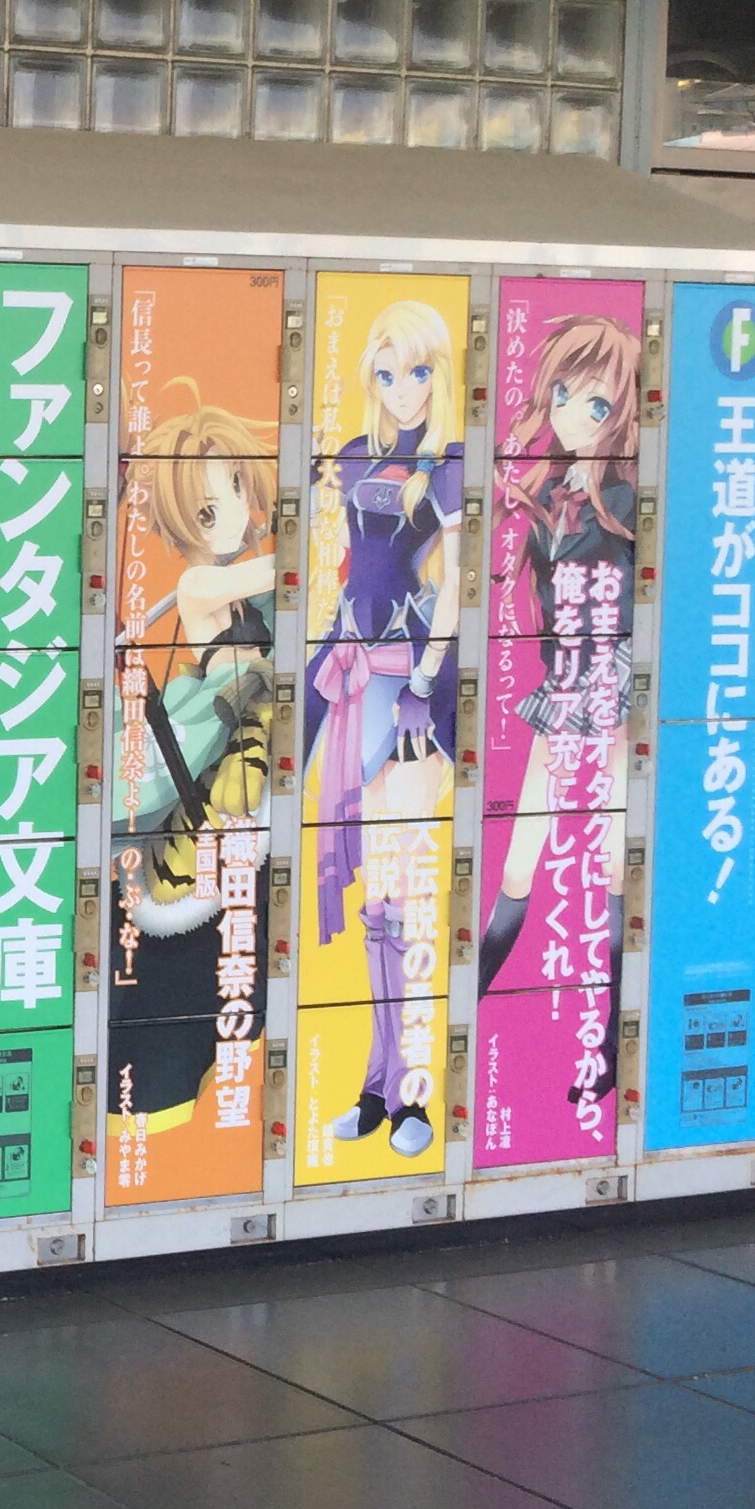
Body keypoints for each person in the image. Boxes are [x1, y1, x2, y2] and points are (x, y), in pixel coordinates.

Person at [305, 301, 464, 1158]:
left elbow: (456, 588)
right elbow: (343, 571)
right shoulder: (354, 456)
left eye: (420, 371)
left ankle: (411, 1102)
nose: (405, 388)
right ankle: (376, 1091)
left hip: (412, 686)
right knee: (377, 907)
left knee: (400, 897)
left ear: (441, 373)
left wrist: (426, 687)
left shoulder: (450, 465)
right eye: (389, 372)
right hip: (354, 673)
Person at [109, 391, 278, 1138]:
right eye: (209, 510)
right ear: (181, 527)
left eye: (238, 487)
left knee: (232, 945)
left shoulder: (238, 580)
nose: (233, 514)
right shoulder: (202, 585)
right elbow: (283, 570)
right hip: (213, 781)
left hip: (242, 779)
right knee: (196, 948)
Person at [477, 315, 642, 993]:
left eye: (596, 405)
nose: (571, 415)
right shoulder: (550, 488)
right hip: (565, 679)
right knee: (521, 861)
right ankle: (474, 998)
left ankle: (616, 1022)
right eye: (562, 396)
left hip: (613, 681)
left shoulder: (628, 497)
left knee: (612, 860)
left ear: (623, 414)